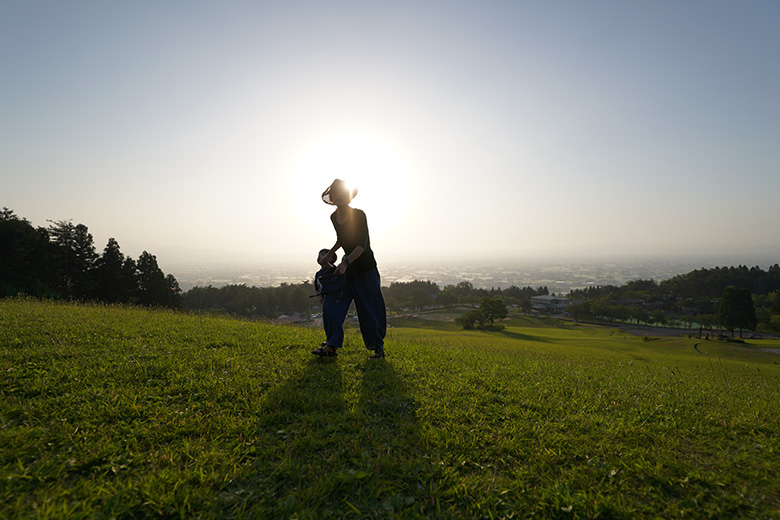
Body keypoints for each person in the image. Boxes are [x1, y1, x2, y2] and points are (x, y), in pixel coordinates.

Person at [311, 179, 387, 359]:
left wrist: (346, 263)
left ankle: (378, 349)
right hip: (347, 271)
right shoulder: (333, 217)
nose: (339, 197)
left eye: (342, 193)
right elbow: (342, 238)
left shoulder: (359, 215)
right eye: (335, 194)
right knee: (331, 305)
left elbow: (362, 245)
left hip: (365, 270)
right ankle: (331, 345)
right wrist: (330, 253)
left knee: (369, 310)